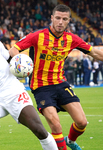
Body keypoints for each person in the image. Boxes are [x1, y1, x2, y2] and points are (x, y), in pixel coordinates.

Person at [9, 4, 103, 150]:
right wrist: (21, 61)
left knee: (82, 122)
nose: (60, 22)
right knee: (56, 125)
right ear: (52, 18)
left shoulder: (72, 39)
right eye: (58, 18)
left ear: (69, 21)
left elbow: (95, 53)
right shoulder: (37, 35)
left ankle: (70, 141)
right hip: (41, 86)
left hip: (60, 83)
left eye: (64, 19)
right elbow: (14, 49)